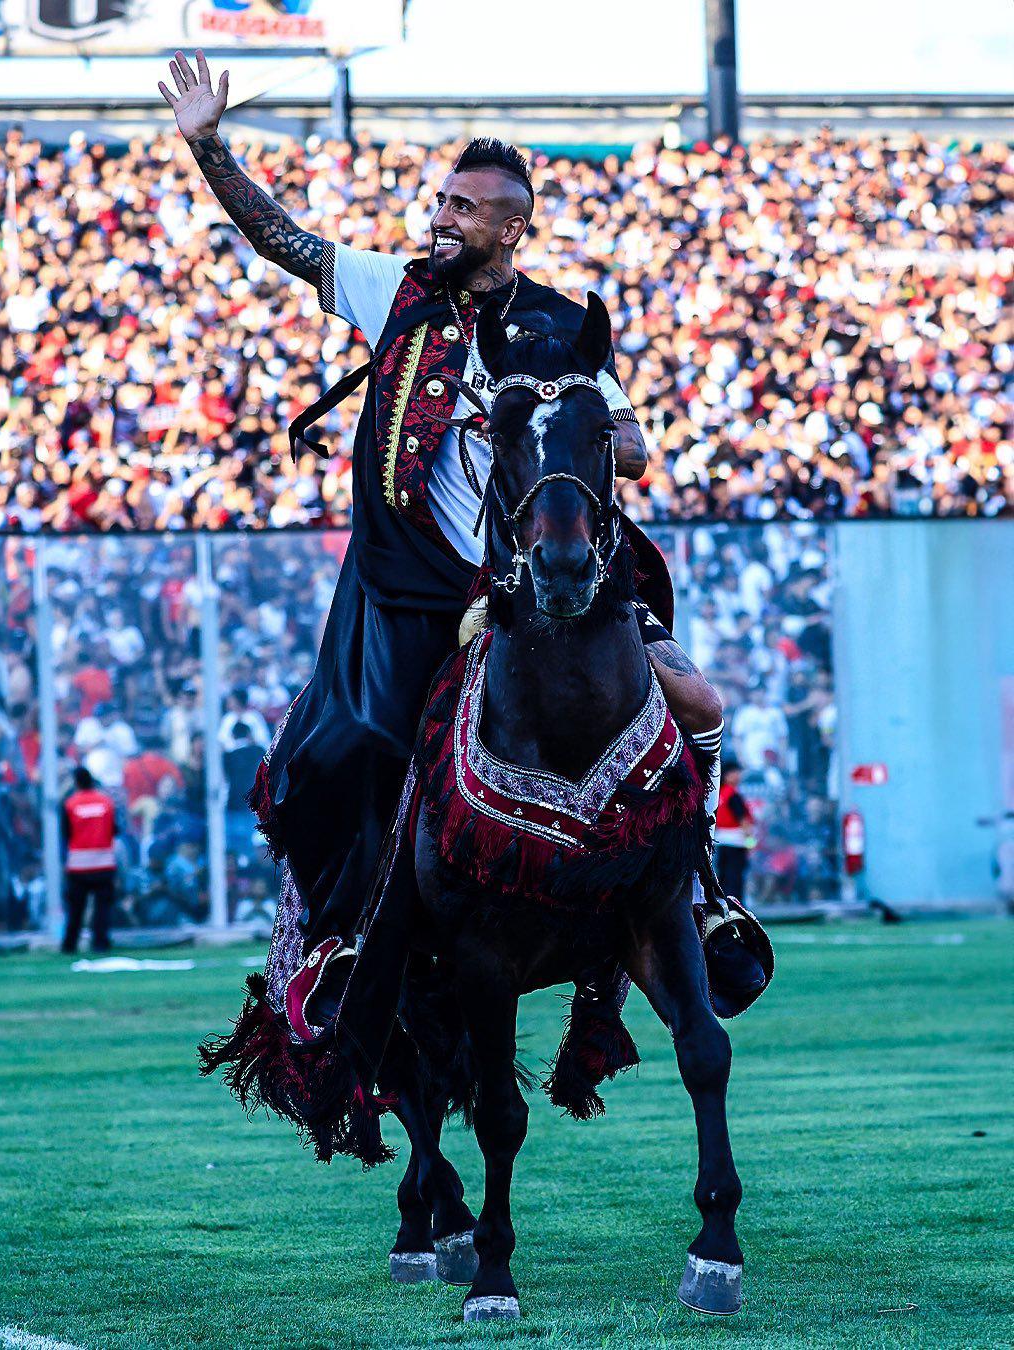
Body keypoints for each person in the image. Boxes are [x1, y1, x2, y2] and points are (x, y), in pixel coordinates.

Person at [159, 51, 757, 1012]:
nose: (440, 218)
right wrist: (207, 145)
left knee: (695, 698)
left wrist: (609, 426)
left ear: (512, 229)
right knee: (350, 744)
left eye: (463, 209)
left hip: (544, 586)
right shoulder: (391, 291)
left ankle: (703, 893)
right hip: (413, 590)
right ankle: (342, 942)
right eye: (440, 203)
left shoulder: (560, 323)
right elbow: (282, 238)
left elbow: (635, 449)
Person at [61, 766, 117, 954]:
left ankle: (70, 944)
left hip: (78, 865)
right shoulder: (106, 802)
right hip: (103, 863)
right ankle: (100, 943)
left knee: (76, 909)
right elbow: (114, 829)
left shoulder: (71, 804)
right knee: (102, 908)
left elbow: (66, 833)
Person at [715, 757, 756, 904]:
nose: (738, 775)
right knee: (735, 879)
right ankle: (735, 907)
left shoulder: (719, 794)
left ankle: (724, 905)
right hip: (737, 842)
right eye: (735, 772)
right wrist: (751, 843)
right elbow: (744, 822)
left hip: (721, 842)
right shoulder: (733, 795)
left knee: (724, 877)